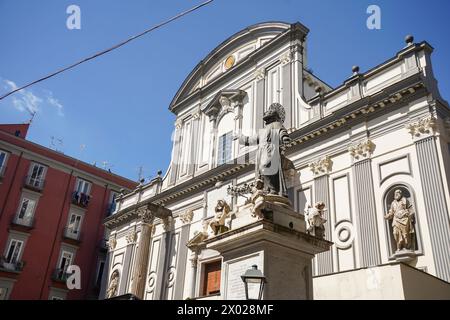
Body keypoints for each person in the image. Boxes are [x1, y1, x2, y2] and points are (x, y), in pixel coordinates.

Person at [235, 103, 291, 197]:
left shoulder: (276, 124)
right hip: (261, 152)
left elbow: (282, 131)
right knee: (262, 170)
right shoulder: (262, 131)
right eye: (266, 119)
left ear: (273, 118)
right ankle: (269, 189)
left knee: (266, 167)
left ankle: (274, 189)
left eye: (268, 118)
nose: (267, 120)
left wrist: (284, 137)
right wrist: (241, 138)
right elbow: (251, 139)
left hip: (270, 149)